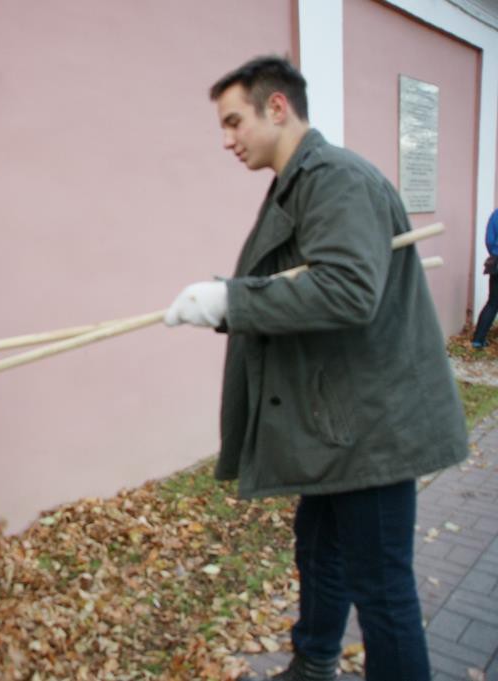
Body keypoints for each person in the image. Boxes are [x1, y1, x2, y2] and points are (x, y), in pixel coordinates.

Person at [164, 56, 467, 681]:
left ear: (277, 107)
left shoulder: (335, 178)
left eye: (233, 122)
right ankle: (315, 661)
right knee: (321, 548)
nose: (227, 140)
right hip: (337, 421)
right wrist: (232, 299)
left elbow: (349, 290)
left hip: (373, 423)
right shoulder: (300, 181)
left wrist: (233, 300)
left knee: (381, 584)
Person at [471, 208, 498, 348]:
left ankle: (478, 340)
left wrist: (495, 252)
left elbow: (489, 240)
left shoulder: (496, 214)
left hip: (497, 263)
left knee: (493, 303)